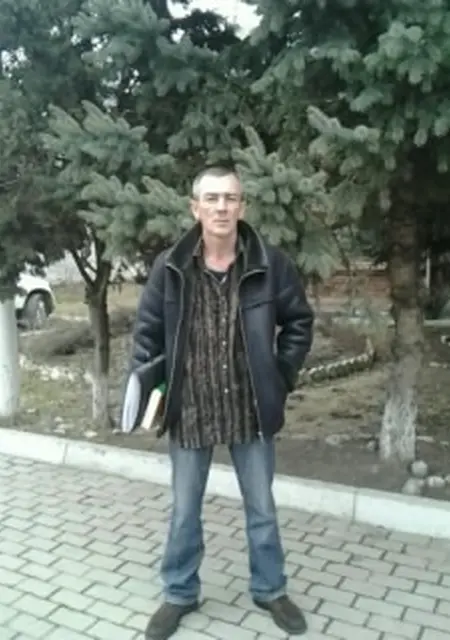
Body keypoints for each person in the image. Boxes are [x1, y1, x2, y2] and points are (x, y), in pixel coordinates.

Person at [129, 165, 314, 640]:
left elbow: (299, 322)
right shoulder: (170, 267)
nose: (221, 207)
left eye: (230, 198)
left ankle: (270, 589)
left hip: (250, 409)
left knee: (262, 509)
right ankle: (179, 593)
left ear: (242, 206)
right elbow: (147, 333)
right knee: (184, 511)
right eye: (211, 198)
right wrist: (151, 385)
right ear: (195, 208)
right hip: (190, 408)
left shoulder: (271, 264)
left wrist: (280, 376)